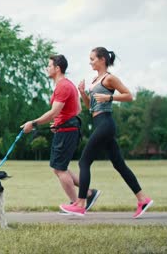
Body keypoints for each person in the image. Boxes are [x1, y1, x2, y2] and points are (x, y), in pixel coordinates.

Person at [59, 47, 153, 218]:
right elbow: (91, 108)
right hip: (100, 123)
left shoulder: (109, 78)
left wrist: (110, 98)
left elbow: (129, 96)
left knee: (84, 162)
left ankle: (80, 203)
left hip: (106, 124)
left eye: (92, 59)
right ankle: (143, 198)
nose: (90, 62)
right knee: (119, 165)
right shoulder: (95, 80)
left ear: (102, 59)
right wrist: (82, 93)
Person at [21, 54, 101, 214]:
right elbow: (76, 109)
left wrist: (33, 123)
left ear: (57, 68)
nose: (47, 68)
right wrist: (59, 122)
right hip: (66, 129)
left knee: (59, 169)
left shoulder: (62, 86)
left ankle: (77, 204)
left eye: (49, 66)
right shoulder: (67, 85)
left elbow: (53, 112)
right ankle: (89, 193)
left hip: (67, 131)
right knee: (60, 167)